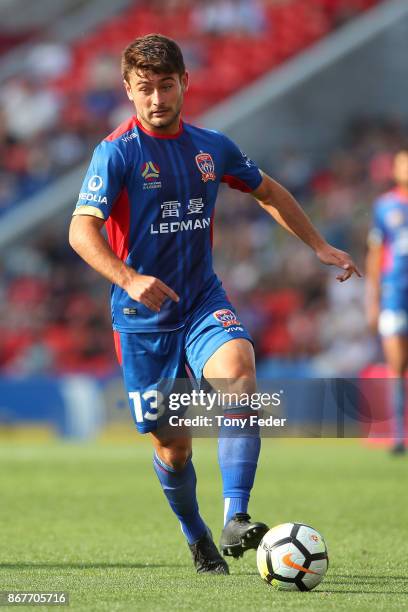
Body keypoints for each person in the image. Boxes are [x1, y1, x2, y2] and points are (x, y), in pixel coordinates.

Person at [69, 33, 361, 574]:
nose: (157, 98)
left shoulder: (212, 147)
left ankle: (235, 514)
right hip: (142, 319)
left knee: (238, 372)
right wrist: (129, 278)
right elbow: (81, 229)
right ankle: (196, 532)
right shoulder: (117, 153)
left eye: (166, 85)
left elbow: (268, 191)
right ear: (128, 91)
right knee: (173, 447)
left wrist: (318, 245)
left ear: (186, 83)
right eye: (145, 89)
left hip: (202, 300)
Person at [366, 148, 408, 455]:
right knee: (397, 363)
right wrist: (372, 299)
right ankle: (397, 434)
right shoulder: (385, 206)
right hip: (395, 292)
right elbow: (375, 254)